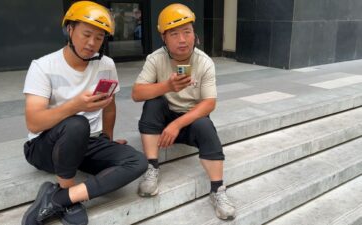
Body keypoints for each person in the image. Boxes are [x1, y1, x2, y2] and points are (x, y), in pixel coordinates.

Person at [21, 1, 147, 225]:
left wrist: (107, 139)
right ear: (69, 30)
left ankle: (61, 198)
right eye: (86, 34)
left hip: (89, 143)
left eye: (99, 38)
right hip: (45, 147)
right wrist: (75, 105)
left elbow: (109, 107)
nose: (92, 43)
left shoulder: (106, 64)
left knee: (137, 161)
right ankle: (68, 192)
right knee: (77, 123)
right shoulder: (43, 66)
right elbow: (33, 122)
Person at [131, 3, 236, 221]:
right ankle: (152, 167)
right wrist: (167, 87)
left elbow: (209, 103)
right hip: (163, 117)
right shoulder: (155, 58)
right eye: (175, 34)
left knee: (205, 124)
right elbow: (137, 93)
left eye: (187, 32)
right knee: (153, 103)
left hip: (189, 120)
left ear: (194, 34)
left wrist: (177, 124)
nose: (182, 40)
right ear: (163, 37)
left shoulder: (204, 62)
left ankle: (217, 190)